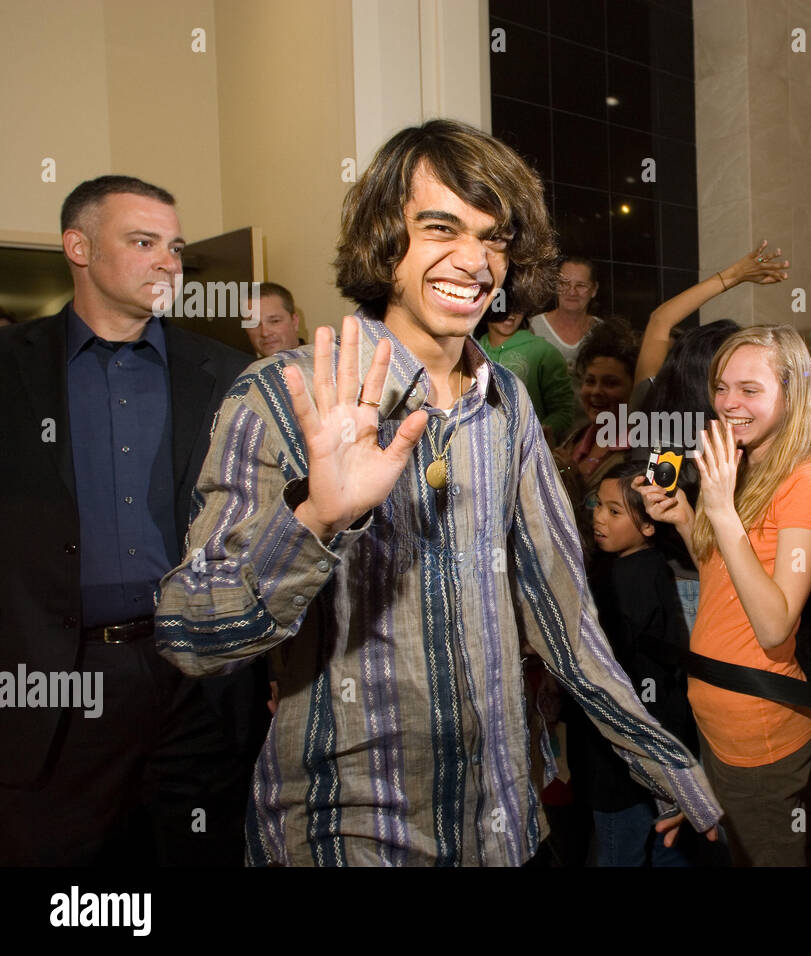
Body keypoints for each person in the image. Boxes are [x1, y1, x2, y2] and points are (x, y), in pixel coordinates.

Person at [153, 119, 721, 866]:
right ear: (387, 243)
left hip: (504, 825)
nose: (474, 261)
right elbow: (190, 630)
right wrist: (318, 519)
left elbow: (565, 616)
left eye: (493, 238)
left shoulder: (507, 404)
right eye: (440, 228)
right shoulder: (285, 395)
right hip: (348, 833)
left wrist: (662, 759)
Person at [0, 175, 266, 866]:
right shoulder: (10, 371)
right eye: (143, 242)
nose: (168, 263)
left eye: (174, 247)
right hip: (56, 687)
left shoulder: (228, 374)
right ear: (78, 246)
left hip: (198, 683)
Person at [639, 325, 811, 866]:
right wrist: (686, 517)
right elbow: (729, 579)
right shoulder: (748, 460)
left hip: (761, 724)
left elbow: (774, 624)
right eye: (722, 387)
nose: (728, 403)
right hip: (717, 718)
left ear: (793, 392)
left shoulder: (808, 480)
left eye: (750, 390)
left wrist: (722, 510)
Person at [575, 470, 696, 867]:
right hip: (660, 744)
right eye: (598, 506)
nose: (599, 518)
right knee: (667, 848)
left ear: (647, 525)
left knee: (621, 852)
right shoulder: (643, 566)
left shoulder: (631, 578)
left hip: (625, 757)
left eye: (614, 511)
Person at [630, 319, 740, 631]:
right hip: (698, 583)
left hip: (672, 578)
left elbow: (657, 323)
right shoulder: (706, 445)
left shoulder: (648, 410)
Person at [634, 240, 788, 386]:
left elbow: (660, 319)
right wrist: (737, 274)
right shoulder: (738, 407)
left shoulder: (648, 404)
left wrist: (736, 274)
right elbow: (660, 320)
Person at [553, 318, 639, 509]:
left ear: (634, 388)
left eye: (610, 383)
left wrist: (570, 473)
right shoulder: (576, 439)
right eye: (590, 381)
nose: (596, 392)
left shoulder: (638, 452)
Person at [477, 308, 575, 439]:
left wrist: (535, 436)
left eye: (517, 304)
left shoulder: (544, 352)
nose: (509, 310)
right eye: (500, 302)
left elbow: (564, 412)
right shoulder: (468, 351)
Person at [532, 255, 602, 380]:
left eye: (580, 285)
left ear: (594, 290)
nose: (572, 292)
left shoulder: (603, 332)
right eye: (564, 284)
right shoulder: (532, 328)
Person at [244, 281, 304, 358]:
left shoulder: (320, 366)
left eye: (275, 321)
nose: (265, 333)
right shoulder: (246, 369)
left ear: (295, 322)